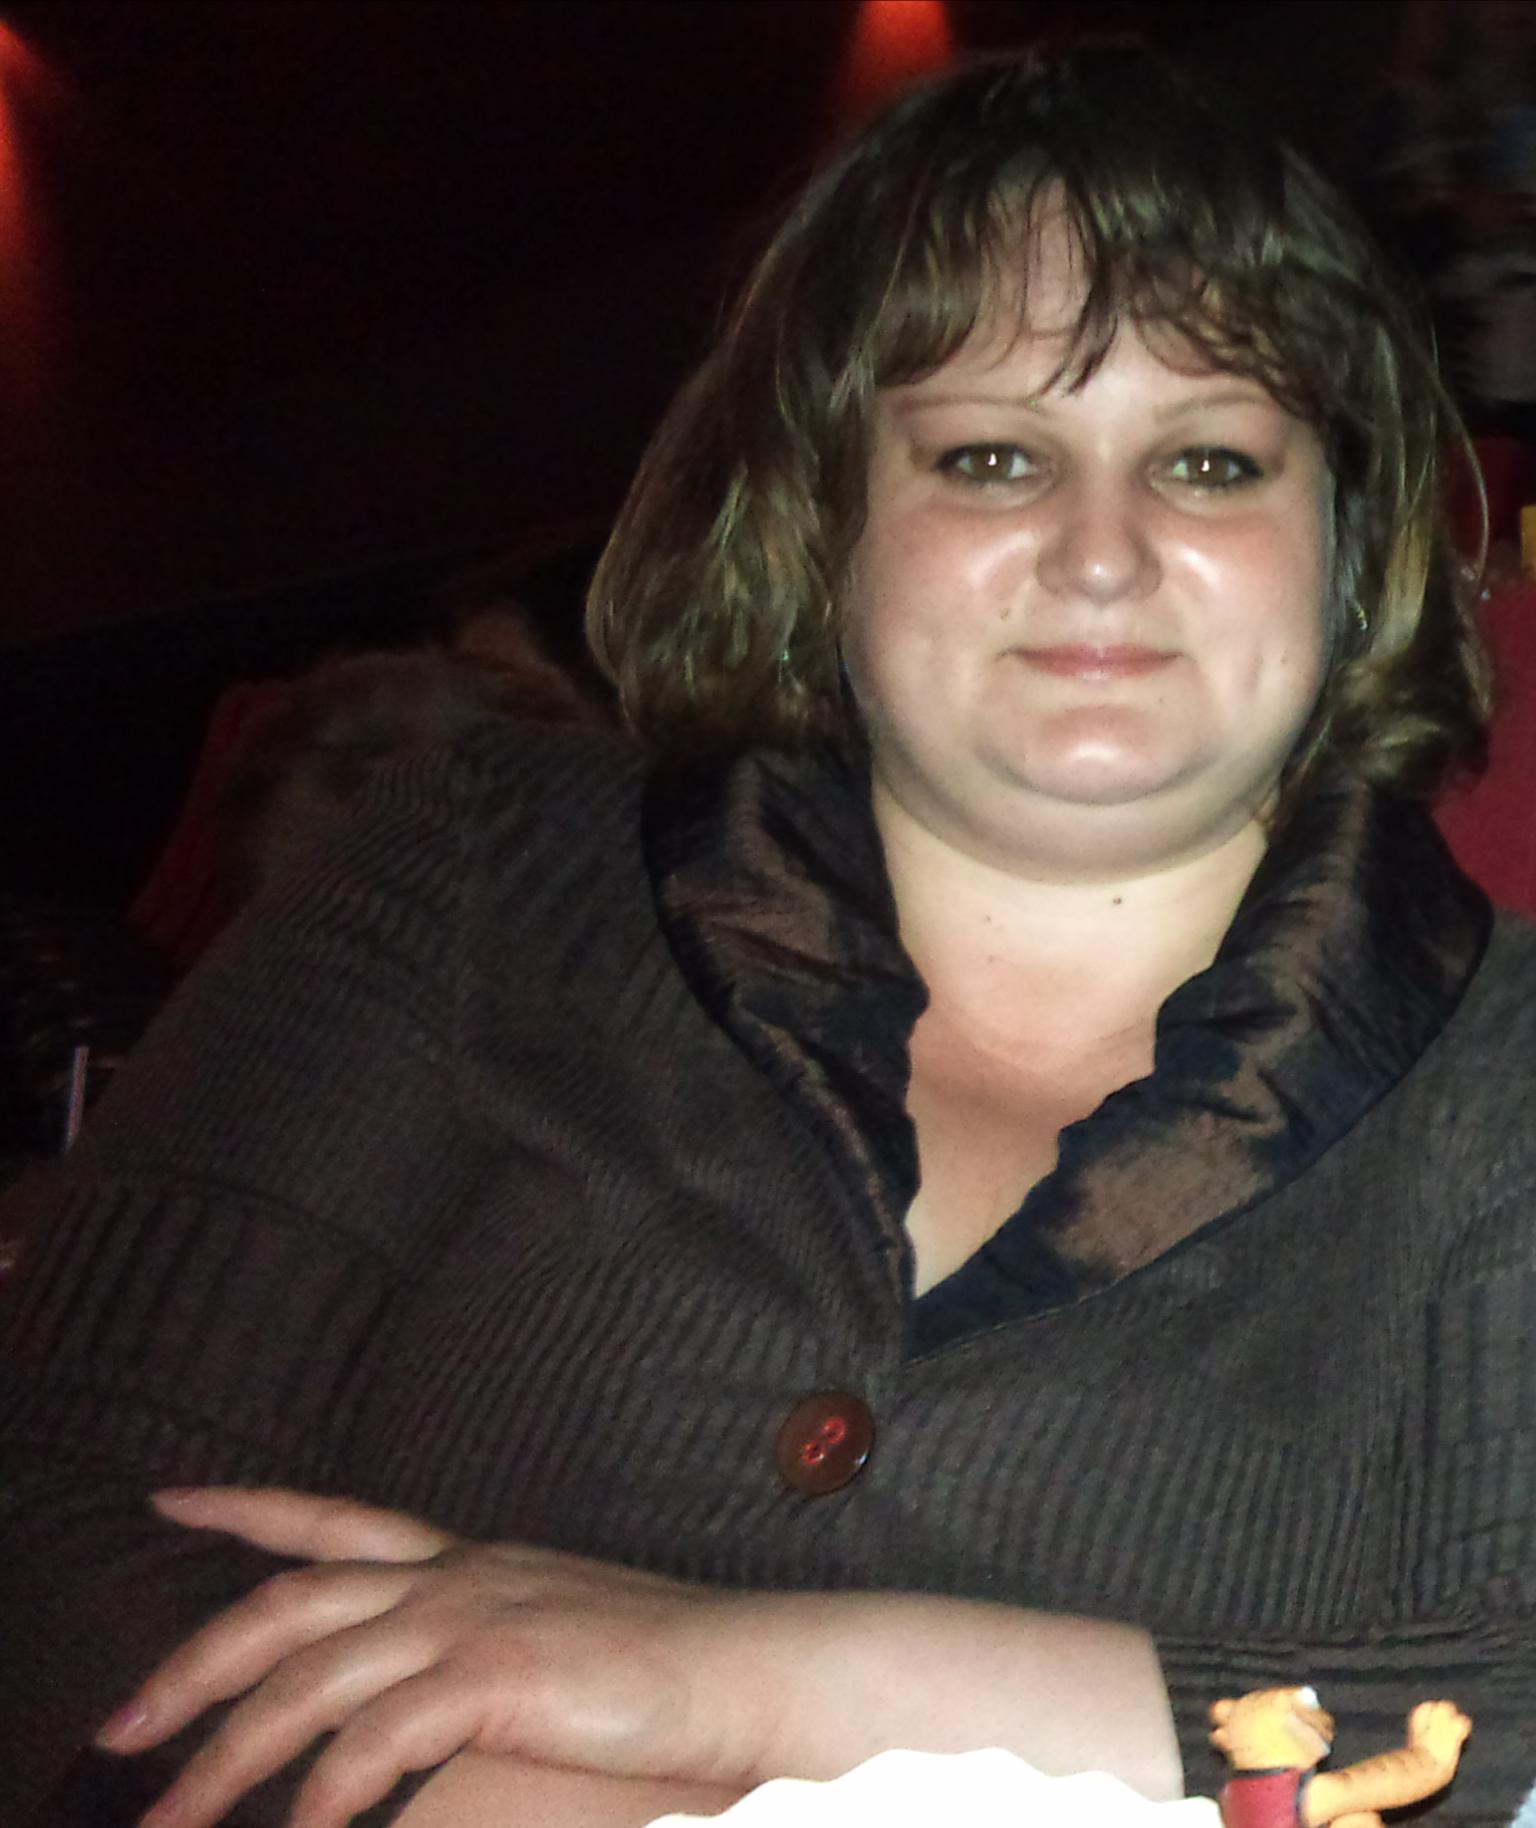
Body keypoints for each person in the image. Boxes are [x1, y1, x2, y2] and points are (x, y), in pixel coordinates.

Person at [0, 39, 1530, 1828]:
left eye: (1207, 462)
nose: (1103, 553)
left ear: (1345, 543)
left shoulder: (1506, 1083)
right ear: (824, 518)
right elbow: (59, 1517)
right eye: (991, 457)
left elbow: (1502, 1717)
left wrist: (750, 1685)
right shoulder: (475, 869)